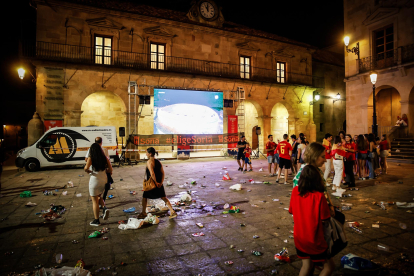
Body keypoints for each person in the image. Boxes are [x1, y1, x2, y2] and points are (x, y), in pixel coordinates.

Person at [289, 165, 335, 276]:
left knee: (306, 266)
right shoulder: (319, 196)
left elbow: (291, 211)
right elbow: (325, 218)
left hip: (299, 237)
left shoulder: (295, 191)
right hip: (314, 239)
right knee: (329, 267)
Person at [138, 147, 177, 219]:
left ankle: (143, 212)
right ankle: (172, 211)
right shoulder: (158, 161)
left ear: (150, 154)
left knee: (144, 197)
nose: (146, 154)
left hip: (152, 183)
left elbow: (152, 174)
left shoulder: (149, 162)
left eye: (147, 152)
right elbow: (163, 173)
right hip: (159, 182)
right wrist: (160, 182)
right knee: (163, 197)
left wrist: (156, 183)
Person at [84, 143, 112, 226]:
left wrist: (88, 171)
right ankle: (104, 208)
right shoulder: (105, 158)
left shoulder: (91, 158)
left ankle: (96, 220)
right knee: (99, 196)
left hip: (94, 180)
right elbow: (110, 169)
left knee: (94, 201)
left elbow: (86, 168)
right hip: (103, 180)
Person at [85, 137, 113, 203]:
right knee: (100, 193)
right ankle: (103, 205)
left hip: (94, 174)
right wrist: (109, 171)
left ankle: (100, 205)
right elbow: (108, 162)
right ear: (101, 142)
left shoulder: (91, 150)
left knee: (95, 198)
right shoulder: (105, 150)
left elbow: (86, 162)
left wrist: (89, 165)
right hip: (103, 174)